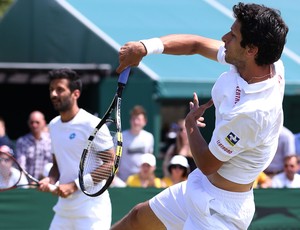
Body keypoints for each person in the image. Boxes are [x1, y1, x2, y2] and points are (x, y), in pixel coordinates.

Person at [111, 2, 288, 229]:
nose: (224, 38)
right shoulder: (261, 62)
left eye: (233, 35)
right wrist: (145, 47)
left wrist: (190, 125)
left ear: (251, 49)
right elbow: (196, 44)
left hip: (220, 212)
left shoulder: (253, 113)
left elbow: (206, 163)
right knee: (137, 218)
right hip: (201, 187)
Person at [38, 68, 113, 230]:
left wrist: (74, 185)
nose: (53, 94)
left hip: (92, 212)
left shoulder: (92, 124)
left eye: (60, 89)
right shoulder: (53, 125)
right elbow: (57, 165)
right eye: (51, 90)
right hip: (64, 212)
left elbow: (111, 165)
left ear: (75, 94)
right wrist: (50, 179)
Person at [117, 105, 154, 182]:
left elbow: (149, 158)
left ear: (145, 122)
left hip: (141, 181)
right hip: (122, 181)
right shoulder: (121, 136)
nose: (136, 122)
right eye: (133, 119)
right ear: (130, 121)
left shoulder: (149, 137)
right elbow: (114, 159)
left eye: (138, 119)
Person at [15, 111, 52, 180]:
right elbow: (21, 166)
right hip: (27, 184)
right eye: (32, 122)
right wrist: (27, 181)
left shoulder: (51, 141)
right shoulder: (22, 141)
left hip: (47, 183)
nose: (34, 125)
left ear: (44, 123)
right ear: (28, 123)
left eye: (37, 122)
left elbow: (55, 165)